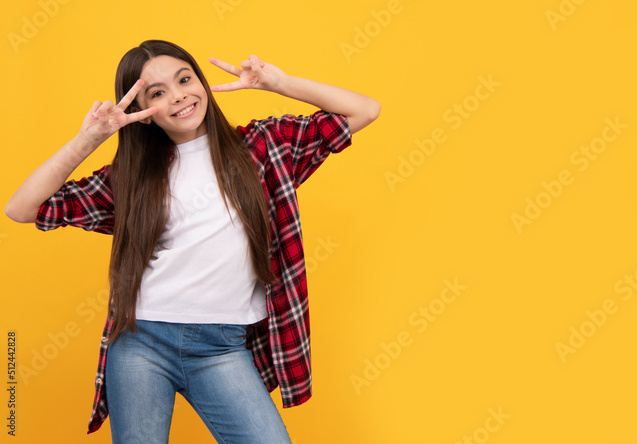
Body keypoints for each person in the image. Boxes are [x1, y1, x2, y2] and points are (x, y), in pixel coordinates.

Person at [4, 40, 380, 442]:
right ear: (143, 114)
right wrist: (92, 137)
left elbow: (364, 110)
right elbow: (22, 208)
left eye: (185, 79)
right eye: (158, 93)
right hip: (142, 343)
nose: (179, 95)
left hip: (222, 347)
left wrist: (279, 82)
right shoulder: (132, 177)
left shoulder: (264, 146)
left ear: (200, 80)